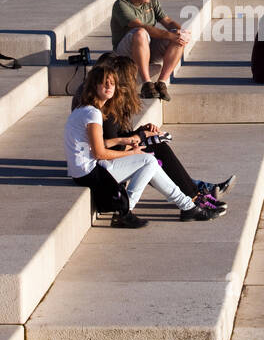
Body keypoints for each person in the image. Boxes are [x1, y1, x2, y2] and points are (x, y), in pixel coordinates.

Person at [81, 54, 234, 215]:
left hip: (111, 157)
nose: (136, 82)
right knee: (156, 152)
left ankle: (194, 194)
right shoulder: (105, 111)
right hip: (104, 165)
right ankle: (194, 196)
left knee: (157, 149)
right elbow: (109, 146)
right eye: (132, 78)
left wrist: (140, 133)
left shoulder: (112, 105)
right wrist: (139, 137)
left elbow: (120, 138)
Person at [65, 65, 216, 227]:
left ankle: (188, 206)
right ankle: (126, 211)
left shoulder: (84, 109)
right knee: (148, 161)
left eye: (112, 83)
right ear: (94, 86)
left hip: (84, 170)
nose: (109, 86)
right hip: (89, 173)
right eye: (103, 83)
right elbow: (99, 153)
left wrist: (123, 141)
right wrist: (132, 153)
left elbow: (98, 144)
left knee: (149, 163)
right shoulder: (92, 113)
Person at [111, 0, 189, 100]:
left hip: (146, 46)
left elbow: (167, 21)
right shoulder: (121, 5)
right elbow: (142, 27)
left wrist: (182, 31)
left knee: (178, 38)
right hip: (125, 52)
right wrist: (170, 35)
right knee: (141, 32)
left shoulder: (151, 0)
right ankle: (147, 84)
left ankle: (161, 83)